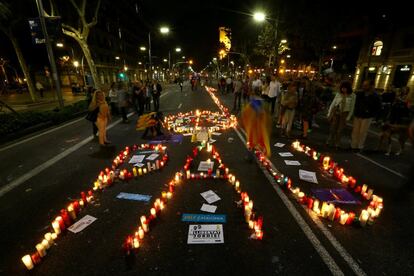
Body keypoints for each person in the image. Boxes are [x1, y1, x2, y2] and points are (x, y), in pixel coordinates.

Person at [351, 80, 381, 152]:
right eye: (363, 85)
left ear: (371, 86)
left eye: (366, 85)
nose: (363, 86)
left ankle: (359, 146)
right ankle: (353, 146)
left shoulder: (375, 96)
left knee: (362, 132)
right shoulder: (359, 93)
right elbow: (354, 102)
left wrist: (372, 114)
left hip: (367, 116)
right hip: (358, 114)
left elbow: (378, 107)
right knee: (355, 131)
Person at [326, 80, 356, 147]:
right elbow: (333, 104)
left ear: (348, 88)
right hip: (336, 112)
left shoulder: (353, 95)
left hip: (344, 113)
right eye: (342, 88)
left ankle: (337, 142)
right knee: (333, 127)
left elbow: (352, 107)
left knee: (340, 129)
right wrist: (329, 113)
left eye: (345, 88)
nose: (343, 89)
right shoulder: (338, 94)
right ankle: (330, 140)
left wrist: (348, 117)